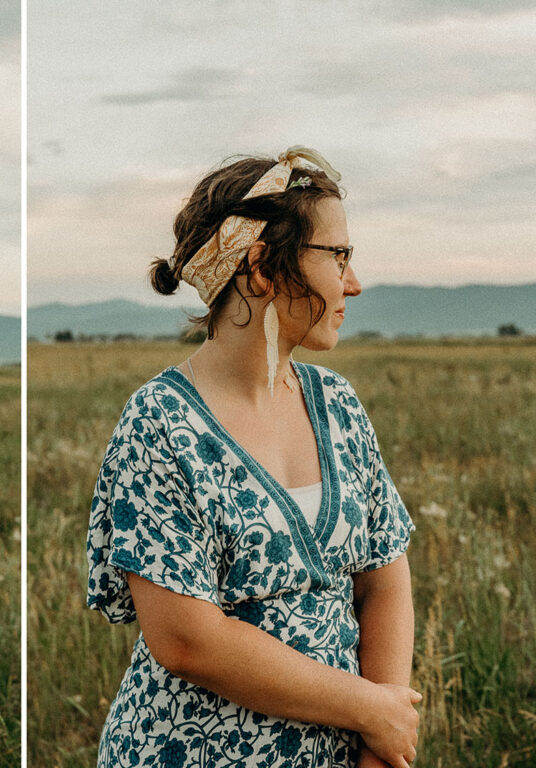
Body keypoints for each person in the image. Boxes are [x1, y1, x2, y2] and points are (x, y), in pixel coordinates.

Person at [86, 148, 419, 768]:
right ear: (262, 267)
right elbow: (187, 640)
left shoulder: (338, 404)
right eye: (338, 255)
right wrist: (368, 709)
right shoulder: (160, 422)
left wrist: (381, 737)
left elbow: (384, 581)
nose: (354, 281)